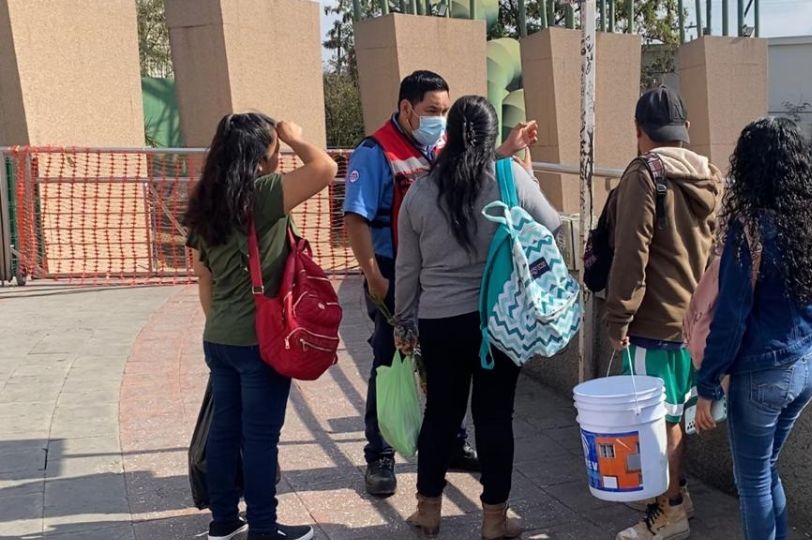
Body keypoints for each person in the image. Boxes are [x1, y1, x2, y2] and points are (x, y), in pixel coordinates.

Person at [343, 70, 538, 496]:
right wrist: (373, 275)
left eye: (445, 111)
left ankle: (450, 444)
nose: (439, 118)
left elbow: (476, 169)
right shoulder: (375, 152)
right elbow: (355, 219)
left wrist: (510, 150)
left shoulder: (438, 147)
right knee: (390, 363)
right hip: (394, 273)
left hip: (435, 278)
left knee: (442, 377)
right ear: (406, 108)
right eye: (433, 110)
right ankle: (380, 454)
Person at [393, 95, 560, 539]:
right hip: (499, 322)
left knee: (441, 415)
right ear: (491, 139)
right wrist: (527, 173)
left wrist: (403, 321)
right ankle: (493, 519)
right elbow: (554, 225)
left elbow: (407, 269)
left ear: (447, 135)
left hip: (440, 322)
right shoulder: (510, 177)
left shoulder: (421, 192)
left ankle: (428, 509)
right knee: (494, 417)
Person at [184, 113, 338, 540]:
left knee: (224, 431)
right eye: (273, 149)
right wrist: (294, 137)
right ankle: (264, 529)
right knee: (259, 438)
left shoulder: (206, 201)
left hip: (218, 337)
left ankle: (223, 523)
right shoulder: (264, 193)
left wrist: (221, 325)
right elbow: (325, 169)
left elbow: (203, 275)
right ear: (261, 154)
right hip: (260, 342)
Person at [695, 117, 812, 540]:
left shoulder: (749, 229)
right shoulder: (808, 220)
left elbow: (731, 317)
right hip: (804, 365)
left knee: (752, 480)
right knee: (765, 467)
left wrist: (708, 384)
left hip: (763, 376)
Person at [606, 86, 723, 540]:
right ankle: (680, 493)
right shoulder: (710, 175)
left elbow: (631, 254)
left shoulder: (645, 174)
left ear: (639, 131)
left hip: (654, 322)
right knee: (678, 415)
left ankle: (669, 510)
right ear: (686, 131)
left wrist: (618, 317)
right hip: (695, 322)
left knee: (661, 423)